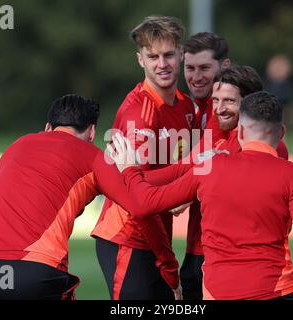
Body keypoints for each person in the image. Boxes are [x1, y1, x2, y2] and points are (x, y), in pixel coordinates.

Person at [108, 91, 293, 300]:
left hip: (218, 292)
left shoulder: (210, 167)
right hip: (274, 289)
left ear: (241, 130)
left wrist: (129, 169)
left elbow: (146, 203)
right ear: (281, 132)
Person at [91, 15, 195, 300]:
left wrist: (186, 185)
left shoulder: (185, 106)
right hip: (128, 237)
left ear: (182, 54)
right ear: (141, 60)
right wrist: (181, 188)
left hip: (158, 236)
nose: (162, 64)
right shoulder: (141, 112)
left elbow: (188, 165)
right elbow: (137, 190)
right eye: (153, 57)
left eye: (169, 55)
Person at [0, 95, 103, 300]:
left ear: (47, 127)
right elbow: (139, 201)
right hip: (37, 268)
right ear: (92, 132)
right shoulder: (91, 155)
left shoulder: (16, 146)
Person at [178, 32, 231, 300]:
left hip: (219, 253)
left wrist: (135, 179)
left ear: (225, 67)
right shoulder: (195, 108)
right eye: (190, 68)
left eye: (204, 68)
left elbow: (196, 164)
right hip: (197, 245)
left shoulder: (223, 111)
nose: (196, 76)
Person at [265, 55, 293, 130]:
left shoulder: (286, 85)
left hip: (283, 107)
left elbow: (287, 100)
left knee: (282, 126)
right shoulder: (270, 85)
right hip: (271, 108)